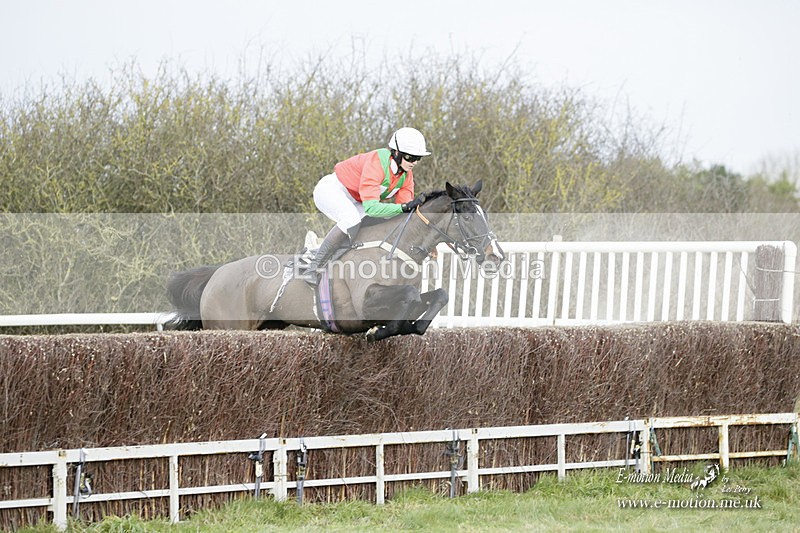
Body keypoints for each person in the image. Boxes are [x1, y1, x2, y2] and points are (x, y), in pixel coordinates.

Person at [304, 127, 431, 285]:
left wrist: (428, 235)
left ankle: (319, 249)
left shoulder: (406, 176)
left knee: (374, 226)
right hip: (332, 190)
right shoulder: (377, 163)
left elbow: (402, 215)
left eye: (418, 158)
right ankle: (313, 267)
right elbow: (373, 208)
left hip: (356, 200)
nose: (414, 162)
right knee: (351, 220)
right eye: (410, 157)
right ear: (396, 153)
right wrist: (403, 208)